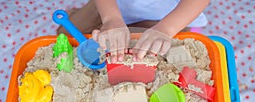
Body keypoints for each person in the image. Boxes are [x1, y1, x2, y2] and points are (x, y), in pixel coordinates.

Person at [57, 0, 210, 62]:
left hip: (167, 16)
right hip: (112, 5)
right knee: (66, 35)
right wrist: (111, 18)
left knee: (153, 54)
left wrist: (166, 29)